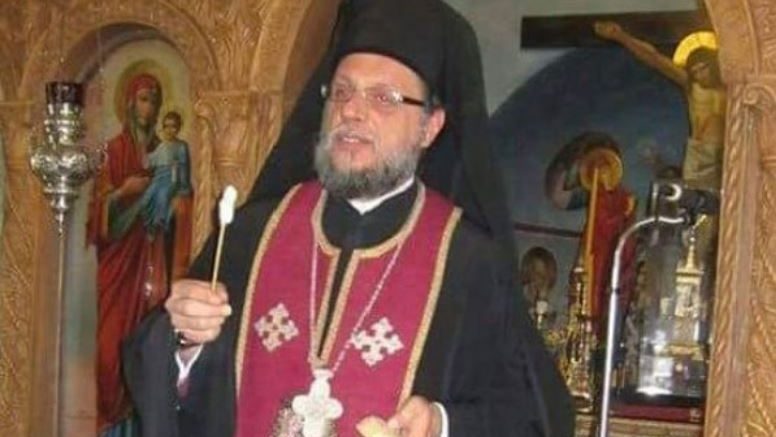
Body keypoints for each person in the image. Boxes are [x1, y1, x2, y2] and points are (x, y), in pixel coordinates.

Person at [123, 1, 574, 437]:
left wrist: (441, 424)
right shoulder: (252, 234)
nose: (352, 111)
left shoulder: (469, 262)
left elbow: (529, 419)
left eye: (383, 97)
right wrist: (185, 342)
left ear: (430, 126)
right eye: (341, 92)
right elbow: (160, 370)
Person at [87, 74, 192, 433]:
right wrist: (123, 192)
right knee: (109, 356)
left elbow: (183, 198)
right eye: (145, 99)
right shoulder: (113, 151)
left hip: (153, 264)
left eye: (155, 100)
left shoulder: (169, 150)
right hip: (118, 270)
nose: (150, 107)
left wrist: (175, 205)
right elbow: (96, 219)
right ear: (130, 103)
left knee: (150, 352)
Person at [593, 22, 726, 191]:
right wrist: (621, 36)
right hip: (700, 153)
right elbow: (654, 58)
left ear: (713, 65)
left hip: (727, 152)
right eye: (695, 71)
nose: (700, 75)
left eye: (703, 68)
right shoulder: (692, 86)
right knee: (698, 198)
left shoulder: (732, 90)